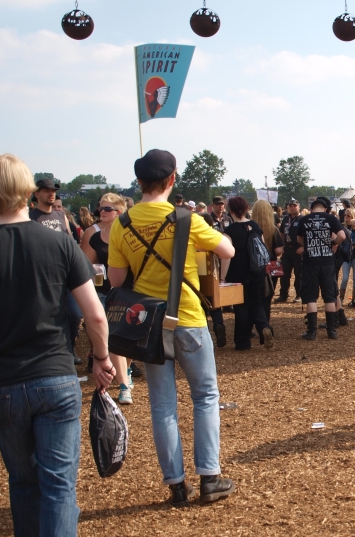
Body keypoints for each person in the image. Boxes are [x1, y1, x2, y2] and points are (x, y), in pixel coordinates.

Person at [0, 153, 115, 537]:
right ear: (30, 191)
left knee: (23, 478)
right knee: (58, 486)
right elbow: (94, 313)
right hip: (55, 377)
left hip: (5, 385)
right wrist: (103, 358)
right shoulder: (60, 243)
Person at [108, 149, 238, 507]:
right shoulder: (187, 218)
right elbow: (227, 251)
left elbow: (117, 279)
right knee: (205, 396)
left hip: (148, 324)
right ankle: (210, 477)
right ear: (172, 180)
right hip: (190, 319)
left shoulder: (122, 224)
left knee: (163, 405)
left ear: (139, 182)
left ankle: (177, 485)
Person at [80, 193, 134, 404]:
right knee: (112, 339)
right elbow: (84, 266)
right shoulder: (93, 236)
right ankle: (123, 387)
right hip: (103, 293)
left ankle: (126, 371)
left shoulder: (130, 232)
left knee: (129, 339)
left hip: (129, 291)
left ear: (119, 213)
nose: (102, 212)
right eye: (100, 208)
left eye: (107, 209)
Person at [31, 179, 82, 364]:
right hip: (44, 277)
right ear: (37, 194)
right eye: (46, 191)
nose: (51, 194)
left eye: (53, 191)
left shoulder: (61, 217)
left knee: (75, 314)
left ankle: (70, 349)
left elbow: (71, 242)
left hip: (66, 274)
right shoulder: (31, 217)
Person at [290, 196, 346, 339]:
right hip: (327, 262)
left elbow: (299, 239)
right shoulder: (330, 218)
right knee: (329, 297)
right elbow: (342, 236)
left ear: (311, 208)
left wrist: (307, 245)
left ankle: (312, 331)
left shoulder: (304, 219)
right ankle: (331, 331)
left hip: (310, 262)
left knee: (311, 298)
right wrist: (333, 242)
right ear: (325, 208)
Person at [224, 197, 274, 351]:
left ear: (230, 211)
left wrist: (222, 277)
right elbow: (262, 247)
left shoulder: (229, 231)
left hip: (238, 272)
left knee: (241, 307)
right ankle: (264, 327)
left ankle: (242, 342)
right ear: (246, 209)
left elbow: (226, 256)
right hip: (257, 270)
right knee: (257, 303)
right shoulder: (255, 226)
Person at [250, 198, 283, 325]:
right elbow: (278, 250)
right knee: (267, 298)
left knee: (253, 298)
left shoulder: (249, 227)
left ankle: (252, 324)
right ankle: (265, 325)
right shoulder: (273, 229)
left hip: (253, 266)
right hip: (271, 267)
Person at [207, 195, 233, 347]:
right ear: (213, 205)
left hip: (225, 258)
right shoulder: (208, 219)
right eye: (217, 204)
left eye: (222, 204)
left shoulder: (228, 219)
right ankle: (218, 324)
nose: (220, 207)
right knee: (213, 292)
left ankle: (220, 317)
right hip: (213, 258)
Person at [278, 198, 303, 303]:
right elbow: (282, 233)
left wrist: (303, 247)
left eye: (294, 206)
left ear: (298, 207)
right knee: (284, 274)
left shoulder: (302, 219)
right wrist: (282, 245)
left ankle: (299, 295)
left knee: (299, 274)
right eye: (290, 206)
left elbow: (307, 235)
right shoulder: (285, 219)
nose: (292, 208)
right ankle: (283, 295)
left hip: (298, 250)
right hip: (287, 250)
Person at [339, 209, 355, 304]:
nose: (347, 217)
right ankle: (341, 298)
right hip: (346, 255)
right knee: (345, 278)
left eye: (349, 215)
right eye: (345, 215)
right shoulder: (342, 227)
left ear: (353, 216)